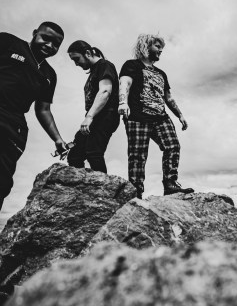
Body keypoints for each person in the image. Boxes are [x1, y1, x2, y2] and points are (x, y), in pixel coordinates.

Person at [0, 22, 67, 211]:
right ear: (34, 33)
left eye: (56, 44)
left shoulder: (49, 75)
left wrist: (58, 139)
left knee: (2, 181)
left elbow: (43, 109)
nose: (49, 45)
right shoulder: (8, 42)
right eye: (45, 38)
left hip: (14, 127)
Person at [118, 34, 194, 198]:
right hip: (137, 117)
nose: (160, 50)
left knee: (173, 146)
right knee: (137, 156)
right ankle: (136, 192)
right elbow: (125, 83)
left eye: (161, 48)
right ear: (146, 46)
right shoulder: (132, 65)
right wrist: (123, 102)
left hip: (160, 117)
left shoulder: (161, 73)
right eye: (157, 47)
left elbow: (168, 98)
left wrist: (180, 115)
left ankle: (170, 184)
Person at [67, 41, 120, 173]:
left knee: (94, 152)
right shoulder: (94, 71)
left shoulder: (105, 65)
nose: (76, 64)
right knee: (75, 155)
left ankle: (103, 185)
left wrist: (89, 117)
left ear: (88, 53)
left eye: (76, 59)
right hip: (95, 117)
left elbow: (105, 91)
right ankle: (80, 183)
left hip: (106, 115)